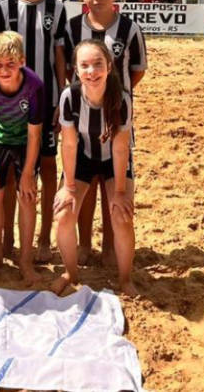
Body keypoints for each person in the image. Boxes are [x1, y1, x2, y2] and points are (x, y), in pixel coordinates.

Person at [65, 0, 146, 267]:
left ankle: (110, 247)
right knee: (85, 183)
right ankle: (85, 243)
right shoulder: (73, 27)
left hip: (117, 120)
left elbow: (137, 71)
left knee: (113, 185)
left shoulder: (130, 29)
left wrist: (114, 94)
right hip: (82, 122)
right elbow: (68, 69)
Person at [0, 0, 67, 263]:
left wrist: (61, 98)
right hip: (11, 103)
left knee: (48, 167)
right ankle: (8, 238)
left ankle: (44, 237)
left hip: (46, 100)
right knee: (12, 171)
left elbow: (60, 56)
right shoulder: (4, 8)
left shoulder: (56, 9)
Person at [52, 39, 136, 297]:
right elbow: (68, 144)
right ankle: (71, 273)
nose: (91, 71)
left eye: (98, 64)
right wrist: (68, 187)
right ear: (76, 70)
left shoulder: (121, 98)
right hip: (83, 156)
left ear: (109, 66)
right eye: (84, 66)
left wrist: (119, 193)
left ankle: (125, 279)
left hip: (114, 160)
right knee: (64, 214)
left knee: (121, 216)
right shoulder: (70, 96)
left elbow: (120, 149)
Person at [0, 31, 44, 284]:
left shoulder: (34, 85)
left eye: (11, 64)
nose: (4, 70)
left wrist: (28, 172)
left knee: (27, 197)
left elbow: (35, 133)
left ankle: (25, 260)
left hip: (25, 141)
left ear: (22, 61)